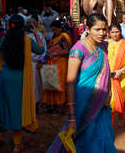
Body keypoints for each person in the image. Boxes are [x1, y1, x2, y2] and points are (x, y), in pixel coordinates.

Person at [47, 13, 117, 153]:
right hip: (82, 106)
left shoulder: (103, 46)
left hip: (101, 105)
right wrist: (72, 116)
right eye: (97, 29)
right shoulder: (78, 50)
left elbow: (106, 71)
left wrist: (108, 93)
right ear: (88, 29)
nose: (102, 33)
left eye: (104, 29)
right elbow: (70, 83)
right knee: (82, 143)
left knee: (104, 140)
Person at [0, 14, 44, 152]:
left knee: (2, 107)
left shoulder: (5, 38)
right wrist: (36, 34)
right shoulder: (27, 40)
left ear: (10, 25)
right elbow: (41, 50)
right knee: (17, 110)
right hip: (20, 78)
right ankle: (16, 144)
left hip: (5, 76)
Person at [107, 23, 125, 124]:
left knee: (121, 98)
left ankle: (120, 116)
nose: (115, 34)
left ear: (120, 32)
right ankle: (109, 123)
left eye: (117, 32)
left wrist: (121, 71)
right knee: (110, 100)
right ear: (109, 33)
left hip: (122, 76)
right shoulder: (105, 43)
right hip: (108, 76)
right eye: (112, 32)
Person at [43, 20, 71, 114]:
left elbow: (67, 50)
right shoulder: (55, 36)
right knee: (52, 84)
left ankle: (61, 107)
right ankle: (52, 105)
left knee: (60, 84)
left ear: (60, 28)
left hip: (61, 63)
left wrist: (55, 53)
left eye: (55, 29)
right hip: (53, 63)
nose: (54, 31)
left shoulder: (64, 36)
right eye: (52, 30)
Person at [27, 18, 47, 108]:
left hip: (36, 63)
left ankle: (36, 103)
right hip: (27, 63)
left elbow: (44, 49)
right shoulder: (25, 35)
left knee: (36, 85)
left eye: (33, 24)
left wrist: (41, 61)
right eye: (29, 24)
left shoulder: (39, 35)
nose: (31, 26)